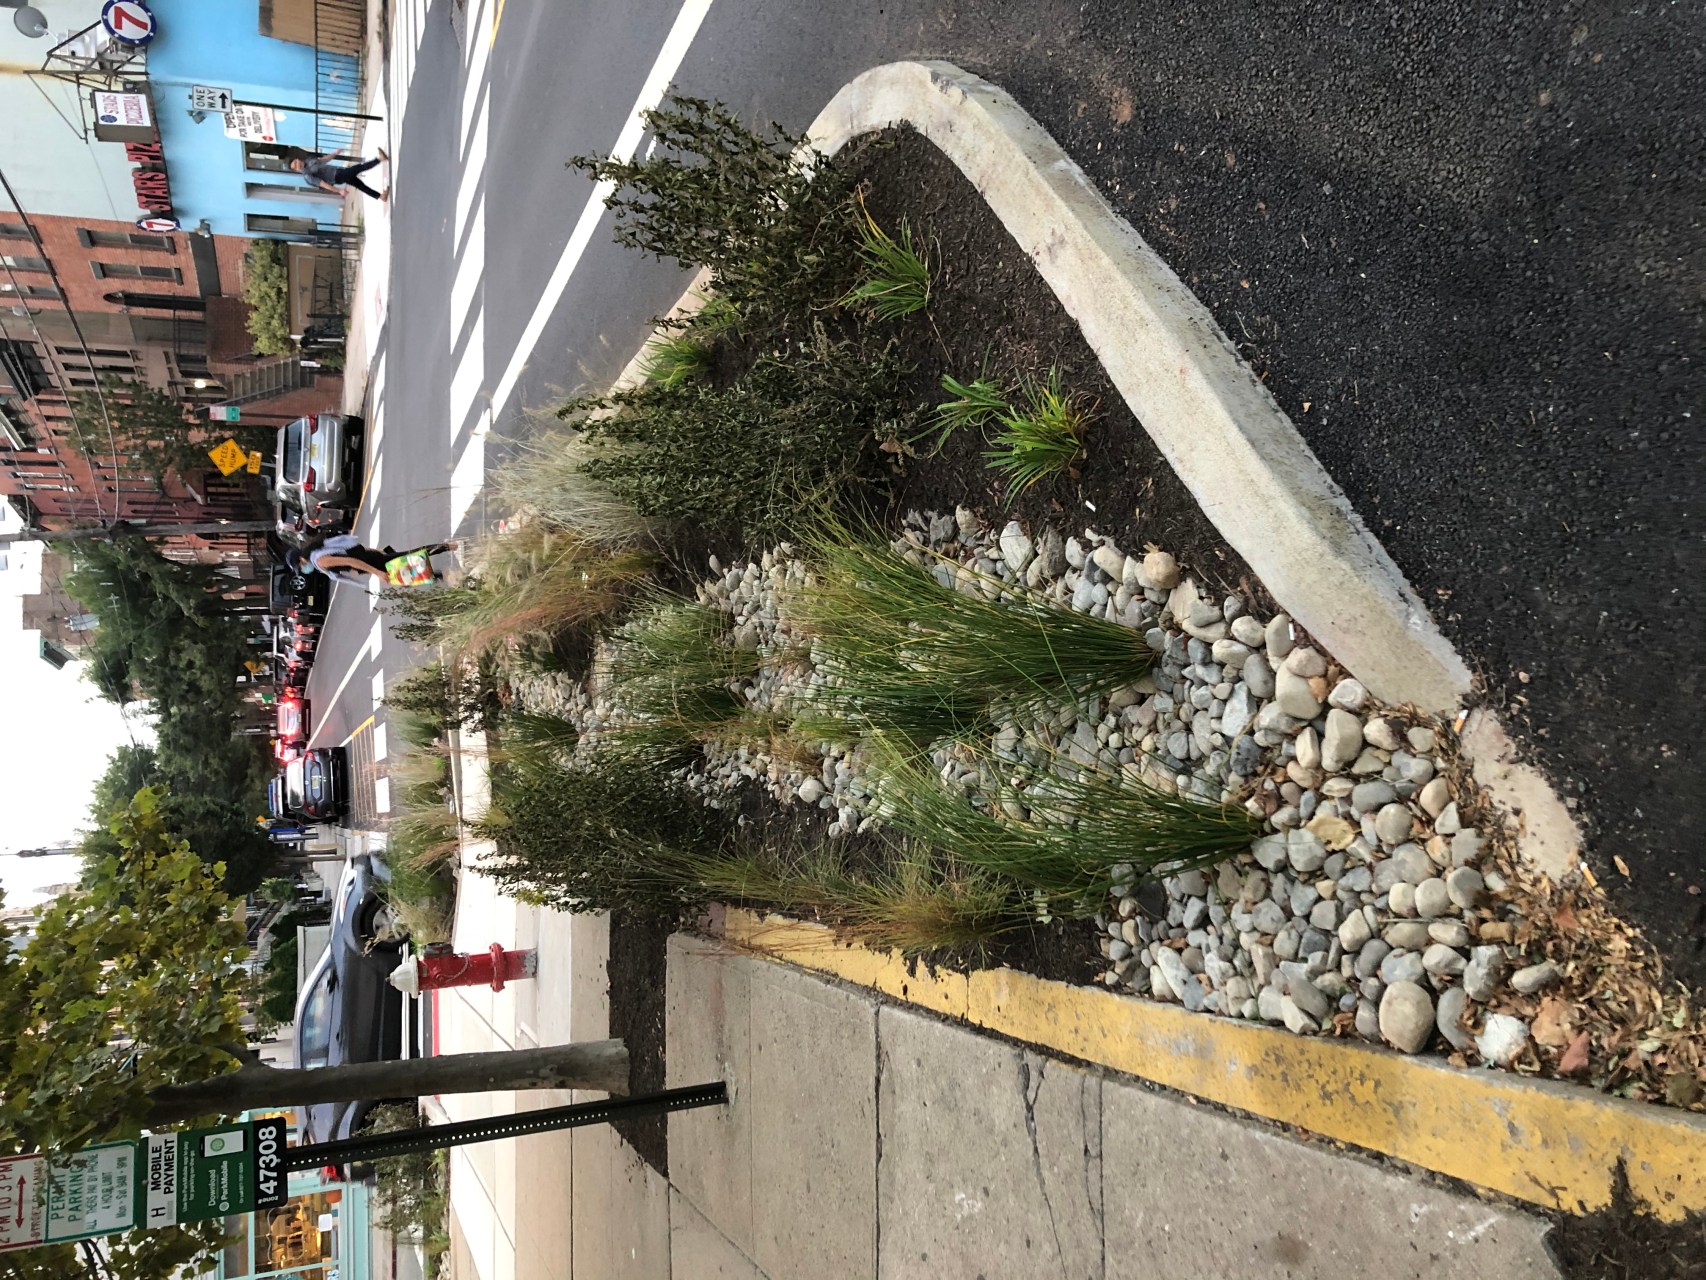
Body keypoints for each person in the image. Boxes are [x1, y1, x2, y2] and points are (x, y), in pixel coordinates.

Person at [289, 534, 457, 585]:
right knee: (408, 575)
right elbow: (349, 551)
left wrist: (377, 573)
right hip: (372, 558)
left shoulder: (319, 561)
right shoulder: (317, 552)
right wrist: (375, 551)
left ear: (301, 560)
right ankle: (444, 575)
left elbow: (350, 561)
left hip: (374, 563)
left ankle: (449, 548)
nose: (304, 569)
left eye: (300, 566)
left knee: (410, 560)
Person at [290, 147, 390, 202]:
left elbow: (324, 160)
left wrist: (335, 153)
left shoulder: (309, 161)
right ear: (296, 170)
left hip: (338, 171)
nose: (297, 164)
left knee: (359, 185)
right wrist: (339, 191)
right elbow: (323, 184)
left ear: (297, 159)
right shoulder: (308, 176)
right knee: (359, 167)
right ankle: (379, 159)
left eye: (295, 161)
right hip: (337, 176)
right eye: (295, 165)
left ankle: (381, 196)